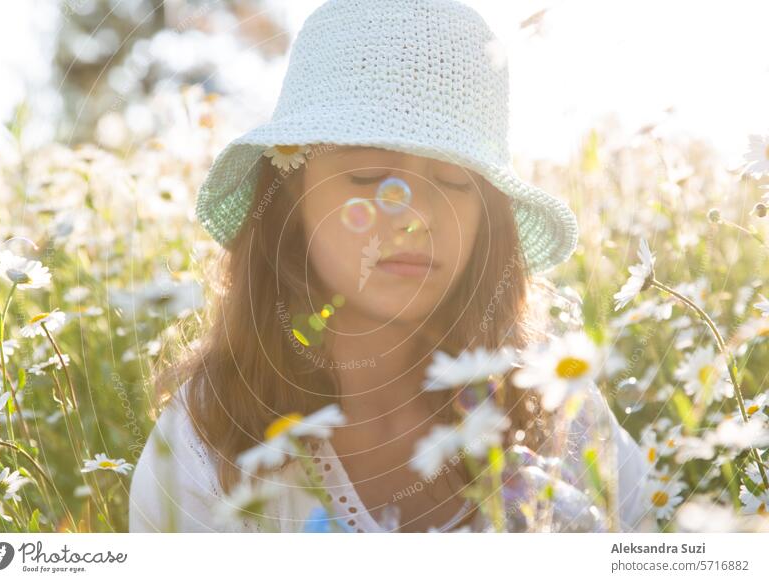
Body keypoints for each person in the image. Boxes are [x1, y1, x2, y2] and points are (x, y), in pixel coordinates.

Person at [128, 0, 652, 533]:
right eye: (369, 174)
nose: (418, 216)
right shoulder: (203, 450)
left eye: (455, 182)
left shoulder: (559, 412)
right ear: (290, 200)